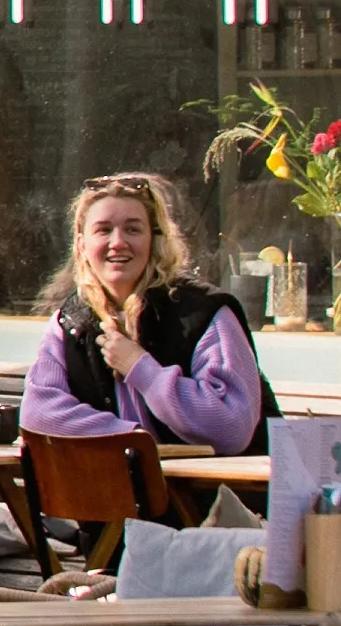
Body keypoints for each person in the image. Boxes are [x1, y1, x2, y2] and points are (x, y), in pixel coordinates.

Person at [24, 173, 275, 454]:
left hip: (209, 495)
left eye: (133, 230)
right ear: (82, 245)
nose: (117, 242)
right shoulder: (69, 321)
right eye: (103, 230)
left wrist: (141, 368)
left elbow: (232, 427)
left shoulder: (205, 313)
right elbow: (38, 415)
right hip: (114, 490)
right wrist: (132, 439)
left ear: (155, 240)